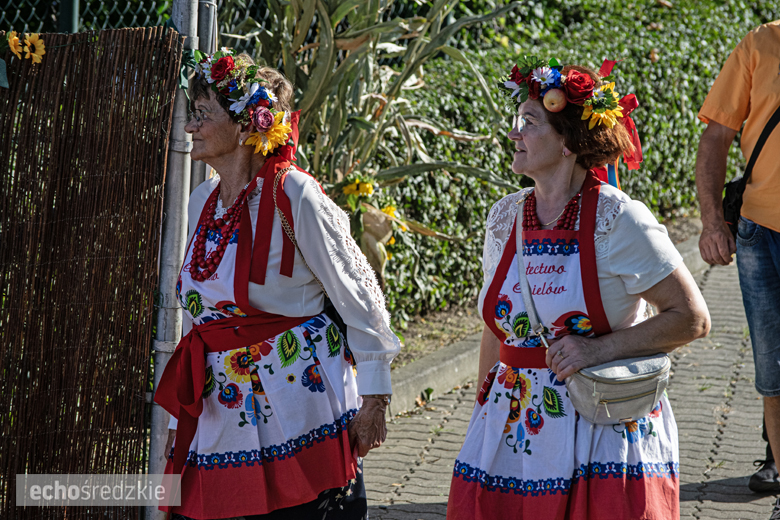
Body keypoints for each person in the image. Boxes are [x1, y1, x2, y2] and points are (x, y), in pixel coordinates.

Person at [446, 57, 711, 519]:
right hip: (511, 431)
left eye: (529, 122)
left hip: (599, 429)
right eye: (517, 120)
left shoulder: (619, 218)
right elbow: (497, 329)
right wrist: (481, 411)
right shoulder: (504, 218)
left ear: (568, 141)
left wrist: (597, 350)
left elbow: (692, 318)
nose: (514, 133)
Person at [153, 49, 400, 520]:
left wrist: (374, 398)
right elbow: (197, 319)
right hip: (220, 409)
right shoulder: (202, 200)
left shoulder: (295, 194)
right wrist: (173, 421)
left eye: (202, 115)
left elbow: (361, 297)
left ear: (248, 126)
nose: (190, 128)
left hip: (295, 411)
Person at [695, 20, 780, 513]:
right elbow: (716, 137)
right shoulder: (760, 44)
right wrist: (711, 223)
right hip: (759, 232)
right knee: (773, 370)